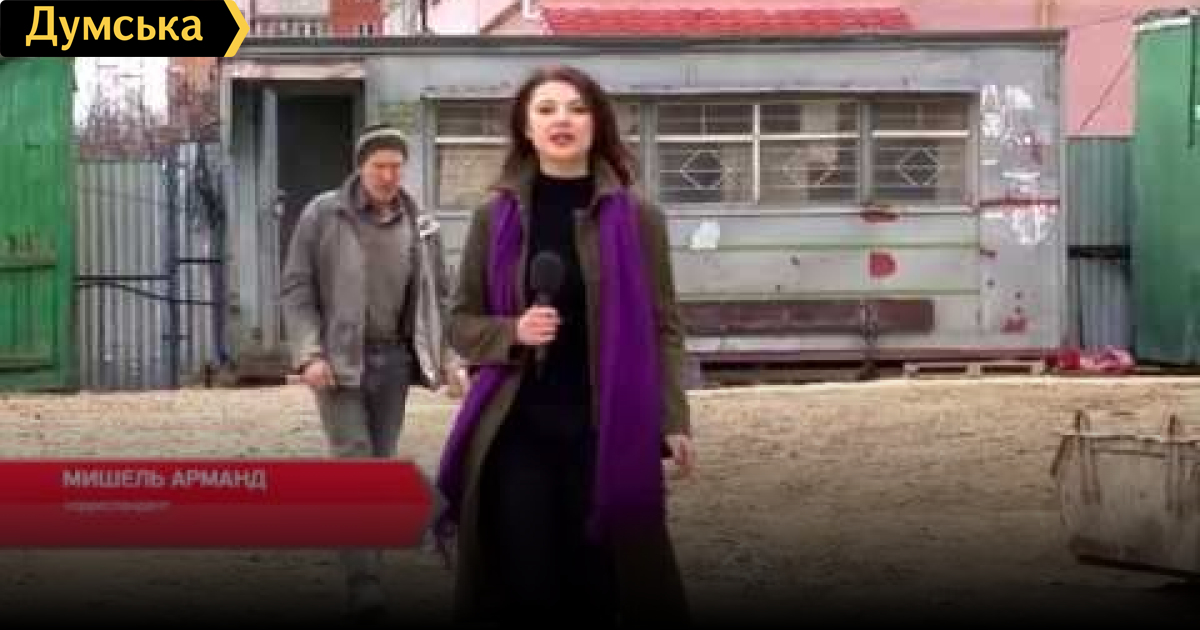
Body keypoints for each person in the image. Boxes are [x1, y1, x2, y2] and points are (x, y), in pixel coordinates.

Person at [433, 65, 696, 626]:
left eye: (577, 109)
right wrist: (513, 332)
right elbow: (459, 322)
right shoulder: (493, 218)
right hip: (516, 429)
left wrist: (674, 419)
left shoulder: (640, 219)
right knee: (529, 584)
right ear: (526, 128)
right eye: (546, 109)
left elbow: (664, 326)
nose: (562, 120)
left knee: (600, 583)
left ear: (596, 124)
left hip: (606, 429)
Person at [280, 123, 452, 623]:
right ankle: (365, 583)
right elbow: (297, 288)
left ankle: (429, 521)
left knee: (379, 463)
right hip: (338, 362)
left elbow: (438, 297)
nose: (389, 176)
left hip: (394, 360)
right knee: (354, 460)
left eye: (397, 166)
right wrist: (309, 353)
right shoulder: (324, 214)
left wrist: (448, 358)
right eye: (379, 166)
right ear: (360, 166)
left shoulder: (420, 224)